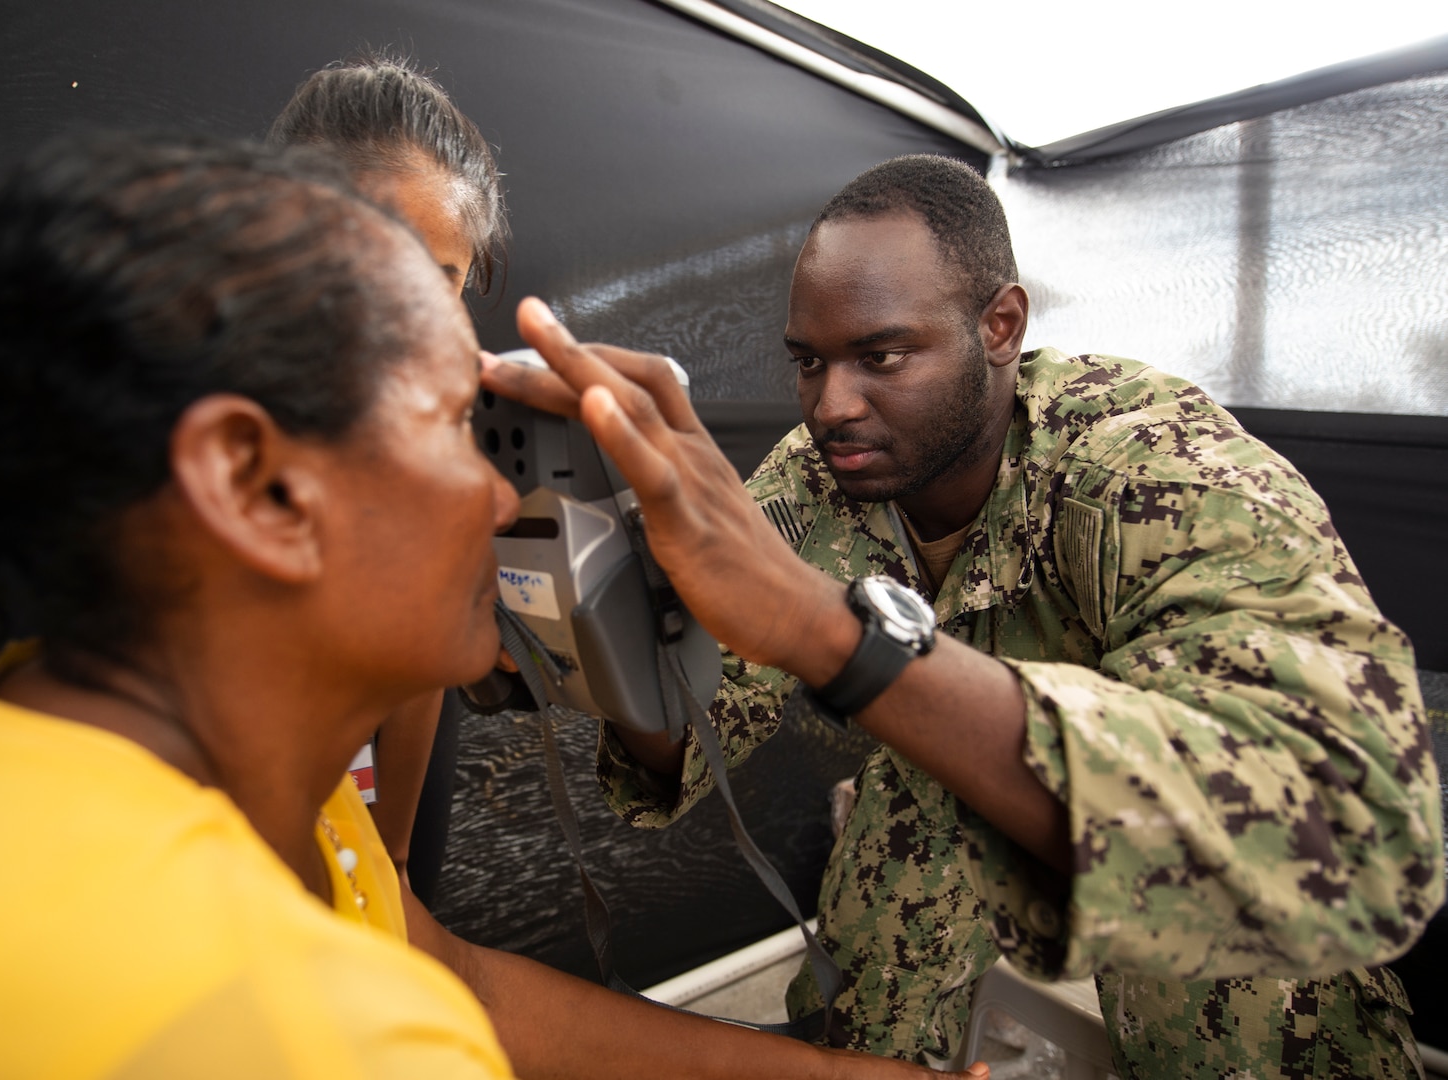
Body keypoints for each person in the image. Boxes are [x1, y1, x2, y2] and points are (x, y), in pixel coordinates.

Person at [0, 131, 988, 1080]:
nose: (499, 495)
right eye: (449, 424)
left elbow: (448, 971)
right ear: (256, 484)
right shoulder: (310, 1024)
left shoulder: (45, 736)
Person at [482, 155, 1444, 1078]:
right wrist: (607, 632)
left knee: (1222, 974)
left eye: (882, 356)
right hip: (949, 765)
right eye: (808, 363)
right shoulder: (815, 481)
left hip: (1190, 793)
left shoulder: (1147, 468)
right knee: (873, 974)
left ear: (1000, 325)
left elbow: (1351, 819)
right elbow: (695, 732)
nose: (832, 406)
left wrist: (826, 629)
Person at [268, 54, 509, 902]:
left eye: (444, 278)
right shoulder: (190, 440)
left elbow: (421, 668)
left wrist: (397, 866)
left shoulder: (431, 429)